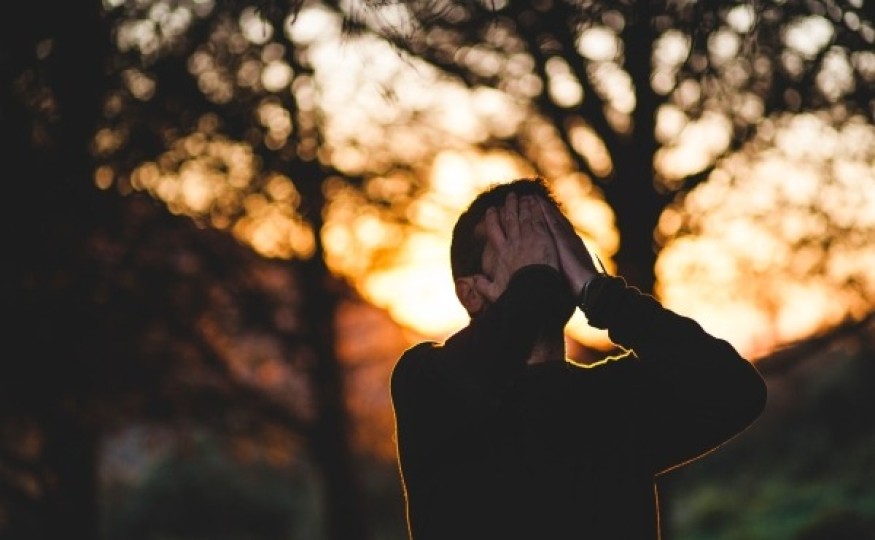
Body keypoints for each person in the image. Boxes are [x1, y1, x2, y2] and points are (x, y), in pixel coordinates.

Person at [390, 177, 767, 540]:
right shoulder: (425, 383)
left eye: (553, 239)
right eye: (520, 243)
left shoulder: (618, 397)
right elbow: (475, 376)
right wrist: (532, 280)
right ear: (471, 294)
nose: (544, 257)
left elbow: (737, 391)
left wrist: (600, 292)